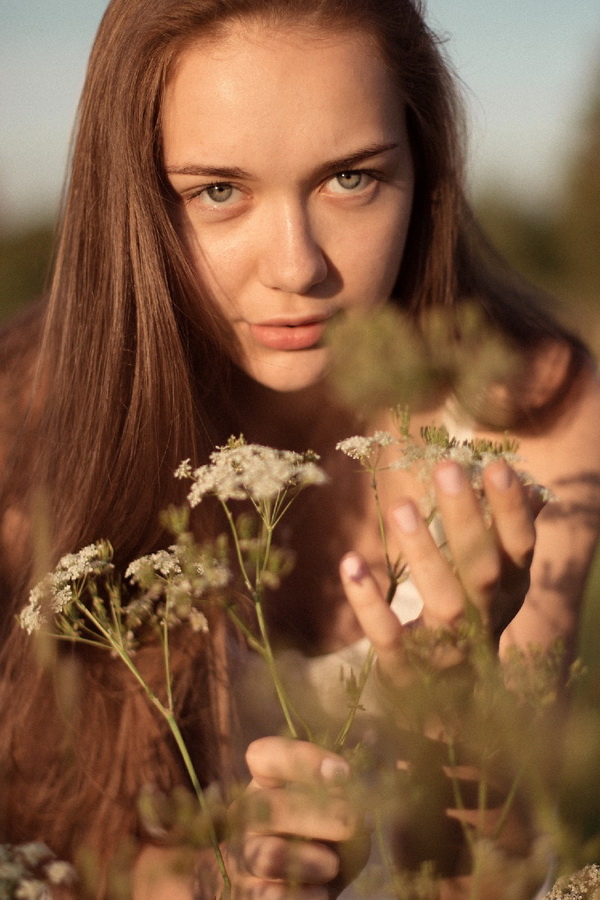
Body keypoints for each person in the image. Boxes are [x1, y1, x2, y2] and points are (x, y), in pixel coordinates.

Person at [1, 0, 599, 897]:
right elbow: (52, 831)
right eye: (219, 191)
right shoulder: (26, 420)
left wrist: (457, 706)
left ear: (422, 163)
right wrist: (217, 878)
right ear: (134, 199)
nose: (297, 267)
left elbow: (490, 861)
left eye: (349, 179)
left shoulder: (531, 411)